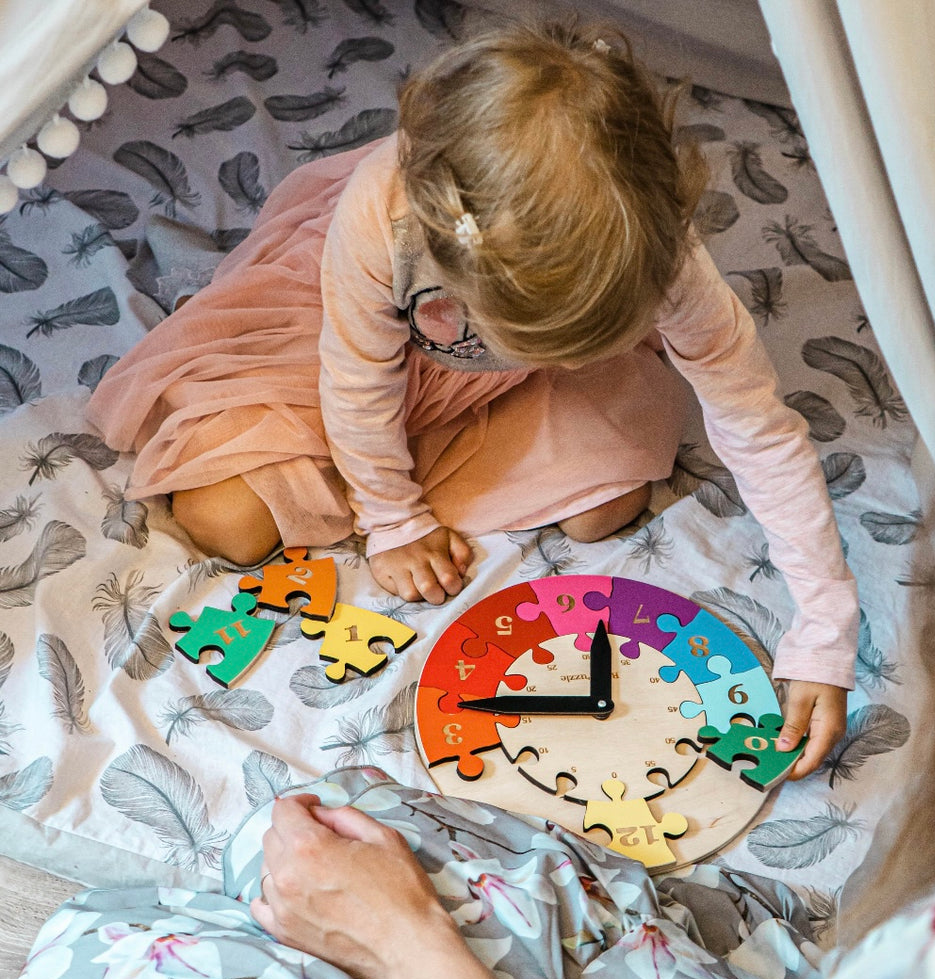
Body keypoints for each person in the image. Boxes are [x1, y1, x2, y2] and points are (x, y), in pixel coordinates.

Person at [84, 20, 858, 778]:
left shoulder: (665, 261)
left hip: (523, 372)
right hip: (347, 347)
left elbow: (759, 428)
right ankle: (400, 461)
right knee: (223, 519)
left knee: (603, 509)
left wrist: (825, 629)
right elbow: (356, 382)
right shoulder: (383, 214)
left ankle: (502, 409)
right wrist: (393, 517)